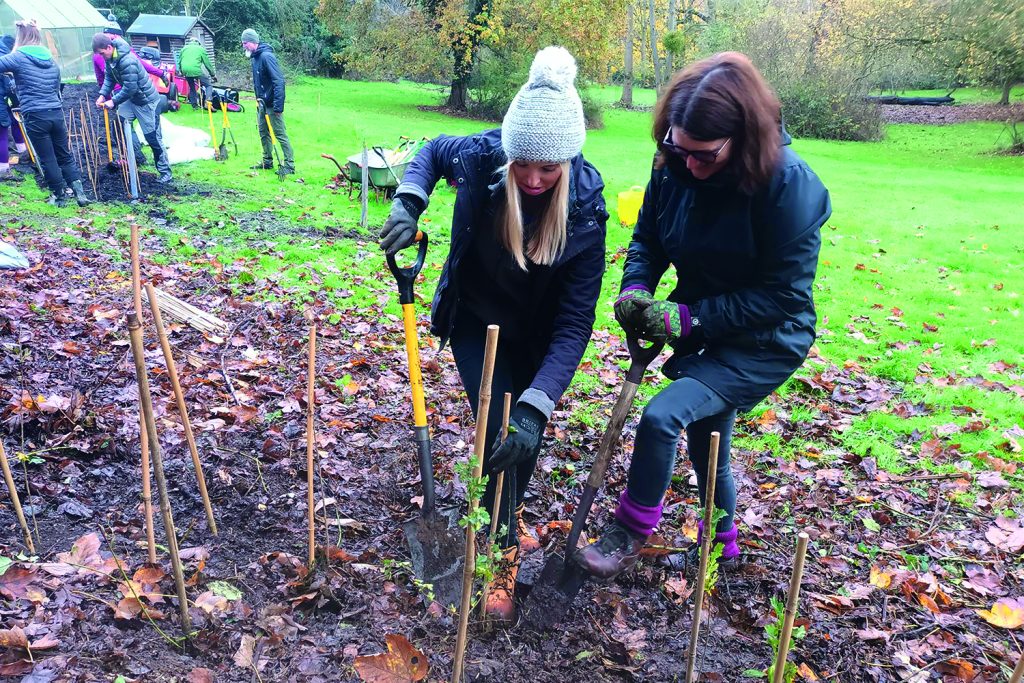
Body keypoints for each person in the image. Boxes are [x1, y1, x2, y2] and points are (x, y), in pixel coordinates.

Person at [574, 52, 831, 581]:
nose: (688, 165)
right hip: (703, 323)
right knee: (707, 442)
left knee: (664, 417)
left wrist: (688, 319)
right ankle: (723, 547)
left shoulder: (790, 188)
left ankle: (628, 530)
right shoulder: (674, 161)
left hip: (763, 339)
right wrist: (638, 289)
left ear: (742, 139)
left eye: (704, 156)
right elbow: (647, 237)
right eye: (676, 147)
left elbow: (783, 297)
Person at [379, 46, 608, 624]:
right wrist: (411, 199)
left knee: (523, 432)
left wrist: (540, 403)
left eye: (547, 167)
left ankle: (505, 521)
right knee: (497, 430)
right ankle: (499, 551)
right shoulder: (484, 158)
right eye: (523, 162)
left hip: (540, 335)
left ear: (569, 161)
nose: (532, 177)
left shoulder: (584, 208)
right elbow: (430, 151)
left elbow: (577, 321)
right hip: (477, 323)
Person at [0, 20, 90, 205]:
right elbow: (57, 86)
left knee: (47, 157)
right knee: (64, 154)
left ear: (21, 37)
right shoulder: (50, 59)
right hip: (56, 112)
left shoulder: (18, 57)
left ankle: (58, 196)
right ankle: (80, 193)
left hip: (35, 114)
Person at [93, 32, 172, 184]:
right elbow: (109, 78)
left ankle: (165, 173)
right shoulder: (110, 59)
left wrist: (113, 101)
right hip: (131, 100)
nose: (101, 57)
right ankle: (131, 159)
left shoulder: (127, 60)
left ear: (109, 47)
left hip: (146, 102)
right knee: (120, 124)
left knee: (153, 138)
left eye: (102, 53)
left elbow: (130, 88)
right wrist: (103, 95)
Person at [241, 29, 294, 175]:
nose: (243, 45)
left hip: (272, 104)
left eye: (245, 43)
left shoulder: (266, 56)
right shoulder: (255, 58)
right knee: (263, 132)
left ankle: (289, 165)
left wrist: (278, 106)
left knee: (280, 134)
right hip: (261, 104)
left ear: (253, 42)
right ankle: (267, 161)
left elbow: (279, 81)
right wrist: (258, 100)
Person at [176, 37, 215, 110]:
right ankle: (208, 102)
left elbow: (179, 61)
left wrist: (181, 71)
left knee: (192, 87)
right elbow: (207, 63)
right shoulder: (200, 49)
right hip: (195, 70)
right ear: (198, 43)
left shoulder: (184, 48)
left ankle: (194, 106)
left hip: (185, 70)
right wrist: (212, 74)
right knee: (208, 85)